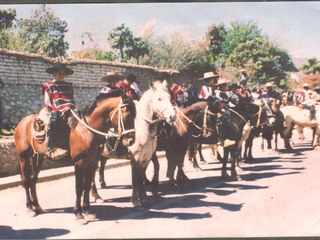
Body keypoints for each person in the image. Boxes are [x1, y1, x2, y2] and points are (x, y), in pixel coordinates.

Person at [42, 62, 76, 160]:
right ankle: (51, 148)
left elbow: (71, 98)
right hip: (55, 109)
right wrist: (58, 108)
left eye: (63, 73)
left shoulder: (68, 86)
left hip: (69, 109)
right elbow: (47, 101)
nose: (61, 75)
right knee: (55, 120)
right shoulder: (49, 85)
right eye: (59, 73)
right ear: (54, 74)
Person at [214, 78, 236, 147]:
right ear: (222, 85)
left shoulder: (225, 92)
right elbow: (218, 101)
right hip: (220, 109)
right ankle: (222, 139)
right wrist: (221, 108)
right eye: (226, 84)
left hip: (226, 108)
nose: (227, 86)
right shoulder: (218, 92)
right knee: (223, 120)